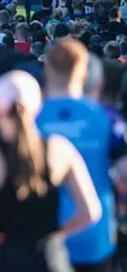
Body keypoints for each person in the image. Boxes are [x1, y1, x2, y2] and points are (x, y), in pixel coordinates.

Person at [0, 70, 101, 272]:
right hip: (48, 259)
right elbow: (90, 211)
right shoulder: (60, 149)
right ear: (38, 107)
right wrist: (56, 235)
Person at [33, 38, 121, 272]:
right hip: (95, 233)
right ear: (84, 74)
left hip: (41, 237)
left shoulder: (31, 118)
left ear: (47, 70)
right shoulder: (106, 118)